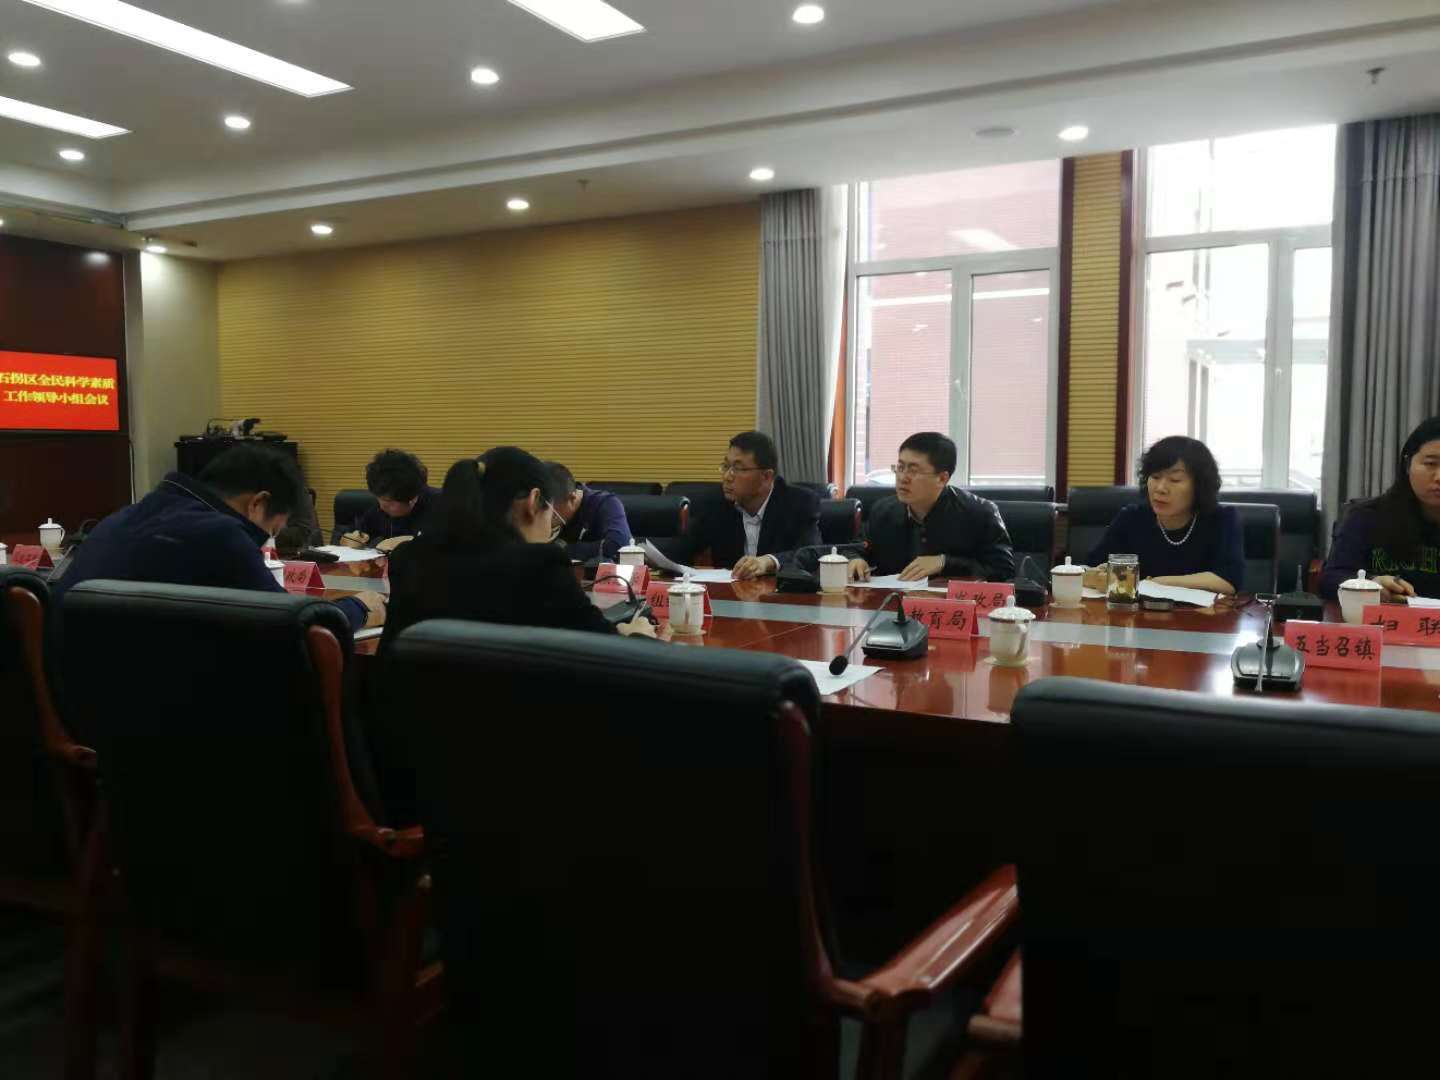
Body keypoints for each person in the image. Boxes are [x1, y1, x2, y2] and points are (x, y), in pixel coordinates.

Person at [50, 444, 385, 632]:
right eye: (272, 531)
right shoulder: (220, 535)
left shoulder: (124, 517)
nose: (265, 542)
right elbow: (295, 628)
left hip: (78, 698)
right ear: (258, 503)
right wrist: (358, 608)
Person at [380, 447, 659, 653]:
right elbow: (608, 653)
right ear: (534, 501)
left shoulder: (408, 558)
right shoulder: (539, 568)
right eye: (550, 514)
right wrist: (638, 636)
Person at [835, 432, 1014, 583]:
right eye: (900, 467)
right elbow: (856, 546)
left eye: (913, 470)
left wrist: (945, 562)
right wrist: (855, 559)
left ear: (942, 479)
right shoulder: (884, 510)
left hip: (950, 607)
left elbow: (1003, 570)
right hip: (890, 605)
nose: (903, 477)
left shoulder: (979, 514)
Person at [1083, 435, 1243, 597]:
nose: (1160, 488)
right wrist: (1097, 578)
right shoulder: (1132, 518)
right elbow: (1089, 568)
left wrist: (1157, 583)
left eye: (1175, 480)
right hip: (1136, 611)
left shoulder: (1221, 519)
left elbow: (1228, 581)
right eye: (1155, 477)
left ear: (1199, 486)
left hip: (1201, 612)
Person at [654, 431, 821, 579]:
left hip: (781, 598)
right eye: (726, 466)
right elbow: (681, 549)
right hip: (731, 598)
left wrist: (768, 561)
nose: (727, 476)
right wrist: (645, 555)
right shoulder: (715, 503)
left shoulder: (799, 503)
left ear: (766, 477)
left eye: (738, 468)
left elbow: (812, 554)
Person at [1320, 416, 1440, 602]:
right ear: (1407, 464)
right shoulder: (1367, 517)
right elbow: (1330, 581)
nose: (1439, 477)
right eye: (1431, 464)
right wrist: (1371, 584)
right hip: (1381, 618)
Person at [339, 449, 441, 549]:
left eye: (387, 501)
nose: (381, 506)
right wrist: (350, 540)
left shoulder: (443, 505)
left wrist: (413, 541)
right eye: (379, 498)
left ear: (411, 499)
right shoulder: (380, 509)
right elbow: (354, 534)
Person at [546, 463, 632, 563]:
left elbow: (620, 545)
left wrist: (562, 551)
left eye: (553, 514)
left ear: (572, 498)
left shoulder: (605, 503)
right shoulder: (537, 509)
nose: (545, 516)